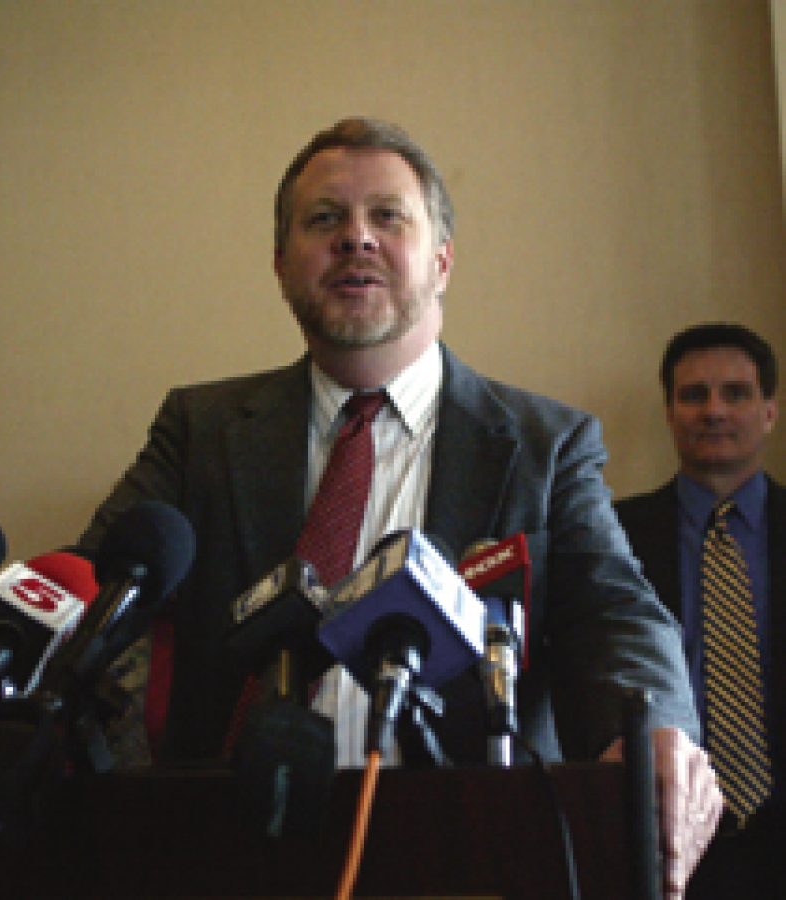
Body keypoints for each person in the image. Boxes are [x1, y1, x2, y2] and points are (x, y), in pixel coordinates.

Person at [78, 117, 721, 897]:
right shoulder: (201, 430)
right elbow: (86, 588)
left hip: (470, 852)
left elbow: (618, 613)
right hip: (233, 848)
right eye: (324, 219)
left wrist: (656, 732)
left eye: (388, 216)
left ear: (442, 260)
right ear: (281, 266)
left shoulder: (545, 445)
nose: (356, 238)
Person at [615, 322, 783, 898]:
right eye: (694, 395)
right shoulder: (612, 537)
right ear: (669, 411)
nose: (714, 411)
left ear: (769, 412)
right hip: (662, 828)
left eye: (735, 394)